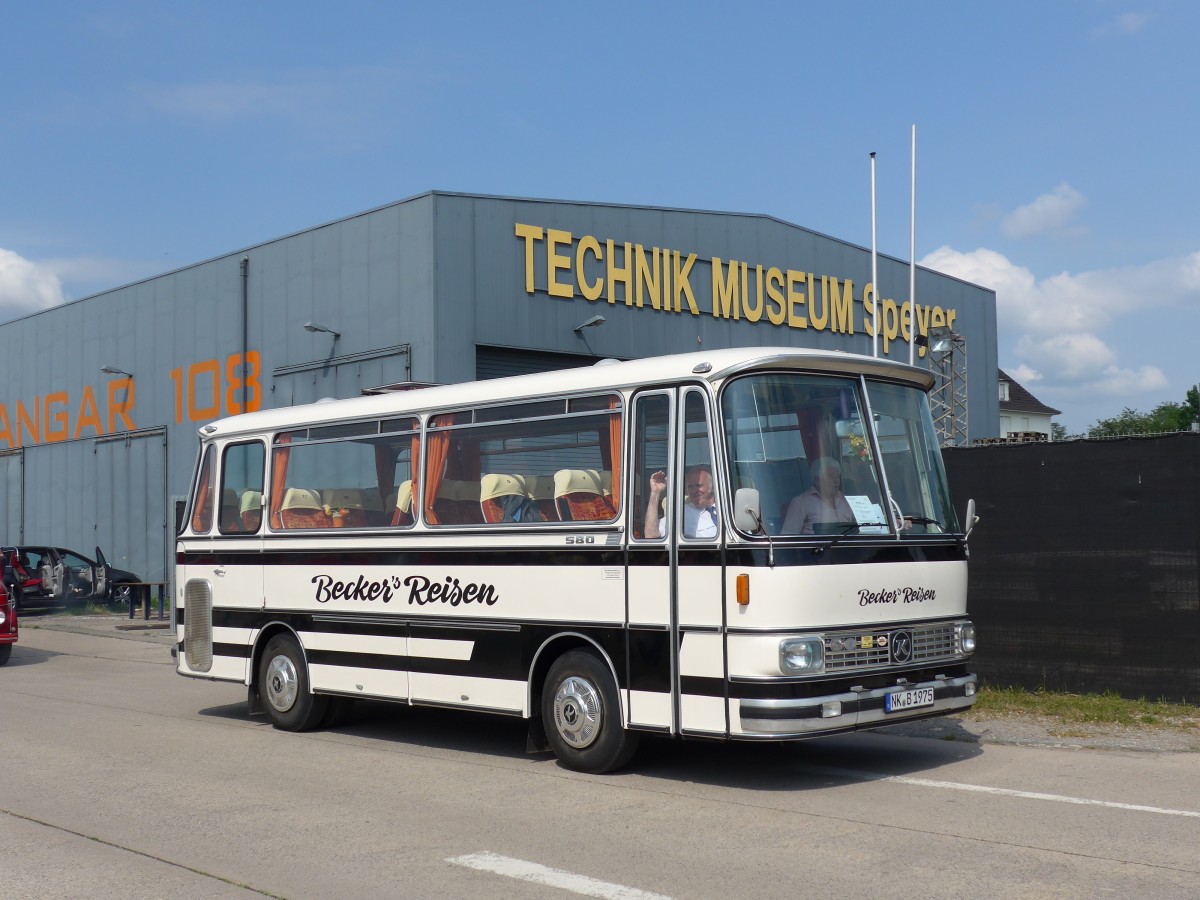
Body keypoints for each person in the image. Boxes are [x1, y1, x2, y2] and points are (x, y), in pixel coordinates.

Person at [781, 456, 855, 535]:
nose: (836, 480)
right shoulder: (801, 502)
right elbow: (788, 537)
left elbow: (859, 529)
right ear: (817, 480)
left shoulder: (846, 500)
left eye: (838, 476)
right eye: (831, 476)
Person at [645, 464, 718, 539]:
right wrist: (655, 492)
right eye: (690, 487)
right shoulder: (683, 513)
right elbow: (651, 534)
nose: (694, 491)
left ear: (712, 487)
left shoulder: (725, 507)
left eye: (698, 485)